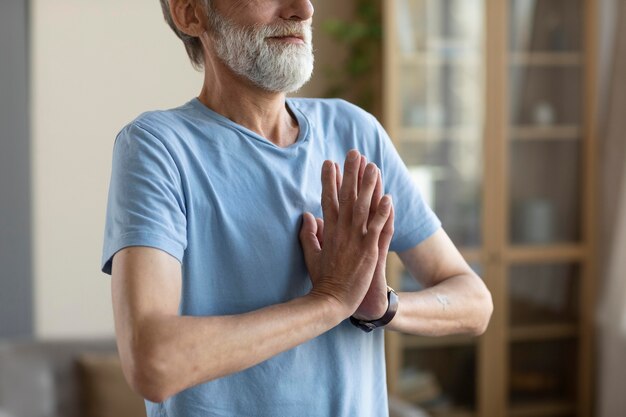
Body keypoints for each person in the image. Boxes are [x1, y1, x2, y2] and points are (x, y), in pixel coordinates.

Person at [101, 1, 493, 416]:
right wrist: (329, 302)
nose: (302, 9)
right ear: (190, 14)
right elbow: (154, 363)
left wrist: (382, 307)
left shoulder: (354, 130)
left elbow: (474, 303)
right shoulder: (157, 147)